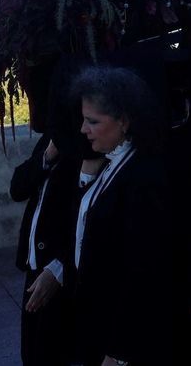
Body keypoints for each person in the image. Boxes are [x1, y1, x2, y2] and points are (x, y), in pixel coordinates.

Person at [69, 67, 171, 366]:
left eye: (93, 121)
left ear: (124, 121)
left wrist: (118, 351)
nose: (83, 130)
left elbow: (144, 270)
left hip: (120, 338)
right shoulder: (113, 162)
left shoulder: (145, 176)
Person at [10, 132, 83, 366]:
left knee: (53, 352)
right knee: (32, 352)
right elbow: (18, 188)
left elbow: (87, 220)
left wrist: (59, 268)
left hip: (61, 272)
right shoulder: (50, 141)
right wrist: (47, 155)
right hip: (35, 266)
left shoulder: (86, 147)